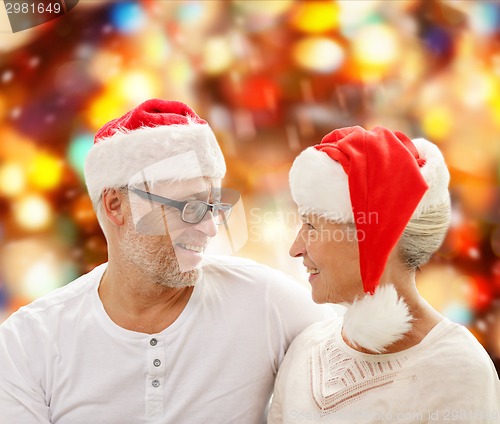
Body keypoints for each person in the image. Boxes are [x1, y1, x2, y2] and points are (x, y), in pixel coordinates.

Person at [0, 99, 333, 424]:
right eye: (189, 207)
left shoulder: (268, 304)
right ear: (117, 206)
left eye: (213, 207)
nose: (210, 228)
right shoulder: (29, 342)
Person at [268, 126, 500, 423]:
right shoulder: (305, 348)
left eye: (312, 226)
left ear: (376, 239)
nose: (295, 248)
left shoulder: (458, 371)